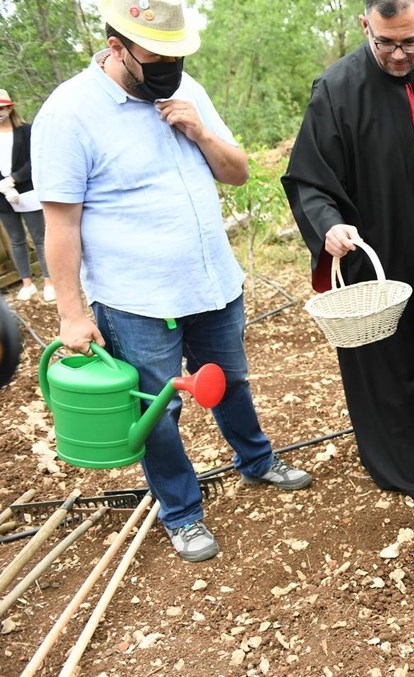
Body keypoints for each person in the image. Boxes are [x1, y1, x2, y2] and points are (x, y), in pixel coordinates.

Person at [33, 0, 312, 564]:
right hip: (136, 299)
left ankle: (256, 461)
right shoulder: (69, 113)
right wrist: (72, 312)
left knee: (231, 381)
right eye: (156, 57)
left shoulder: (189, 93)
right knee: (157, 410)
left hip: (212, 283)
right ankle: (182, 513)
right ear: (117, 47)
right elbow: (61, 226)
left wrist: (200, 130)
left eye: (177, 56)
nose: (169, 67)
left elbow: (237, 172)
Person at [283, 0, 414, 505]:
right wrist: (329, 227)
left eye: (409, 42)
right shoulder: (336, 90)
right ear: (365, 27)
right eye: (385, 43)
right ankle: (406, 461)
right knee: (392, 356)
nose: (399, 54)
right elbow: (310, 181)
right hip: (376, 244)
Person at [0, 89, 52, 303]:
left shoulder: (26, 131)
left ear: (10, 108)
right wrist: (3, 186)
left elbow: (35, 159)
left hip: (27, 191)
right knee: (16, 240)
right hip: (3, 196)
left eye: (2, 108)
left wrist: (14, 179)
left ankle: (49, 281)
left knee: (40, 237)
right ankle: (26, 283)